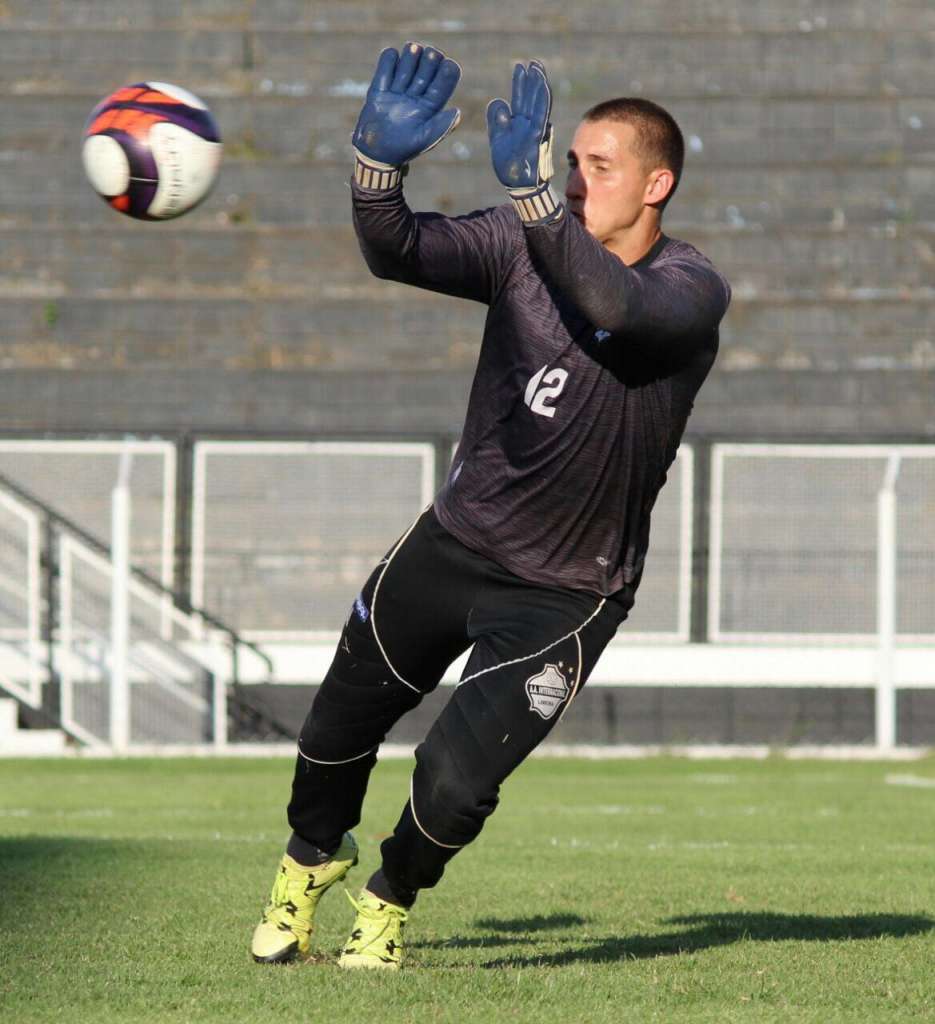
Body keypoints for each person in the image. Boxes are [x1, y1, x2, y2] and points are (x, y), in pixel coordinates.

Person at [250, 42, 730, 971]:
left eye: (601, 166)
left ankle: (387, 902)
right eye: (570, 159)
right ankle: (310, 862)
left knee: (457, 780)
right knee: (332, 733)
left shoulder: (690, 288)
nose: (573, 179)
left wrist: (541, 203)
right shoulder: (520, 243)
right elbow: (397, 252)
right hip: (454, 543)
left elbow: (617, 310)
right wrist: (375, 171)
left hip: (566, 590)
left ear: (656, 184)